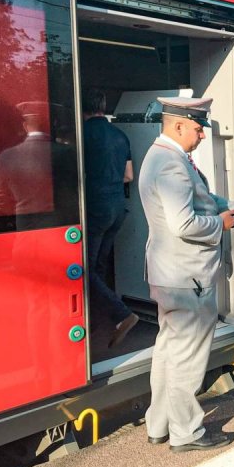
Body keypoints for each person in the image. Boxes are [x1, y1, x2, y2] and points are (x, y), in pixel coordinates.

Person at [139, 95, 234, 452]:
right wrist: (222, 223)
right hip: (188, 278)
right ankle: (187, 433)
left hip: (169, 274)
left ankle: (158, 424)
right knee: (187, 359)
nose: (202, 135)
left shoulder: (163, 157)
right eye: (199, 128)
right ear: (179, 125)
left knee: (169, 351)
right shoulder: (171, 165)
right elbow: (185, 222)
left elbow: (204, 197)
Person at [81, 88, 139, 348]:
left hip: (95, 209)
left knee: (83, 269)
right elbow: (129, 176)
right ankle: (98, 318)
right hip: (118, 208)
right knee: (100, 267)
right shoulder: (120, 135)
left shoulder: (80, 135)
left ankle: (121, 314)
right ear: (103, 106)